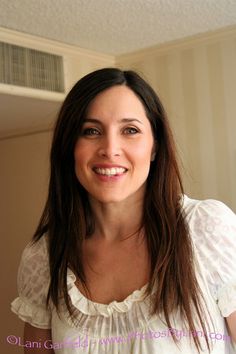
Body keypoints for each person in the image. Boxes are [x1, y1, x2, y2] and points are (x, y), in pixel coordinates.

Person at [11, 68, 236, 354]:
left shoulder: (207, 229)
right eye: (91, 131)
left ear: (155, 146)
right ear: (69, 147)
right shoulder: (44, 257)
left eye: (130, 130)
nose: (110, 148)